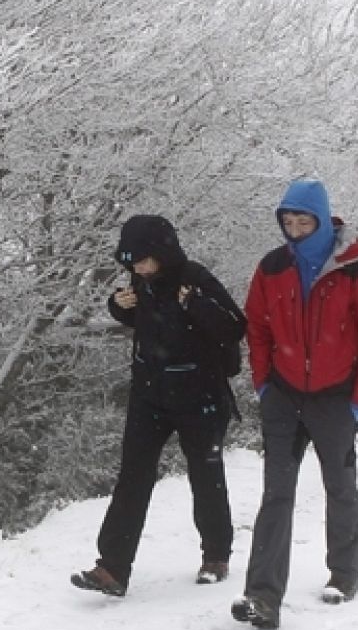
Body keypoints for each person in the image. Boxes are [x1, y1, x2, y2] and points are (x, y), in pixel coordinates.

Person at [231, 178, 358, 630]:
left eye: (303, 220)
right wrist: (264, 384)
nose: (295, 228)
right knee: (276, 494)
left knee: (339, 487)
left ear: (323, 220)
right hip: (283, 395)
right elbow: (258, 328)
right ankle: (262, 597)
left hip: (335, 399)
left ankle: (344, 574)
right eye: (288, 221)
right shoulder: (272, 267)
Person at [72, 214, 246, 598]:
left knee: (205, 475)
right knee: (132, 477)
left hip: (199, 394)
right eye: (131, 262)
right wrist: (117, 306)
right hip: (150, 393)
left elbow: (235, 326)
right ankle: (112, 568)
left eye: (143, 260)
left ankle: (216, 555)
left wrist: (197, 304)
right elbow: (145, 322)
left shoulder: (195, 279)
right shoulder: (142, 282)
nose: (138, 269)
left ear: (163, 253)